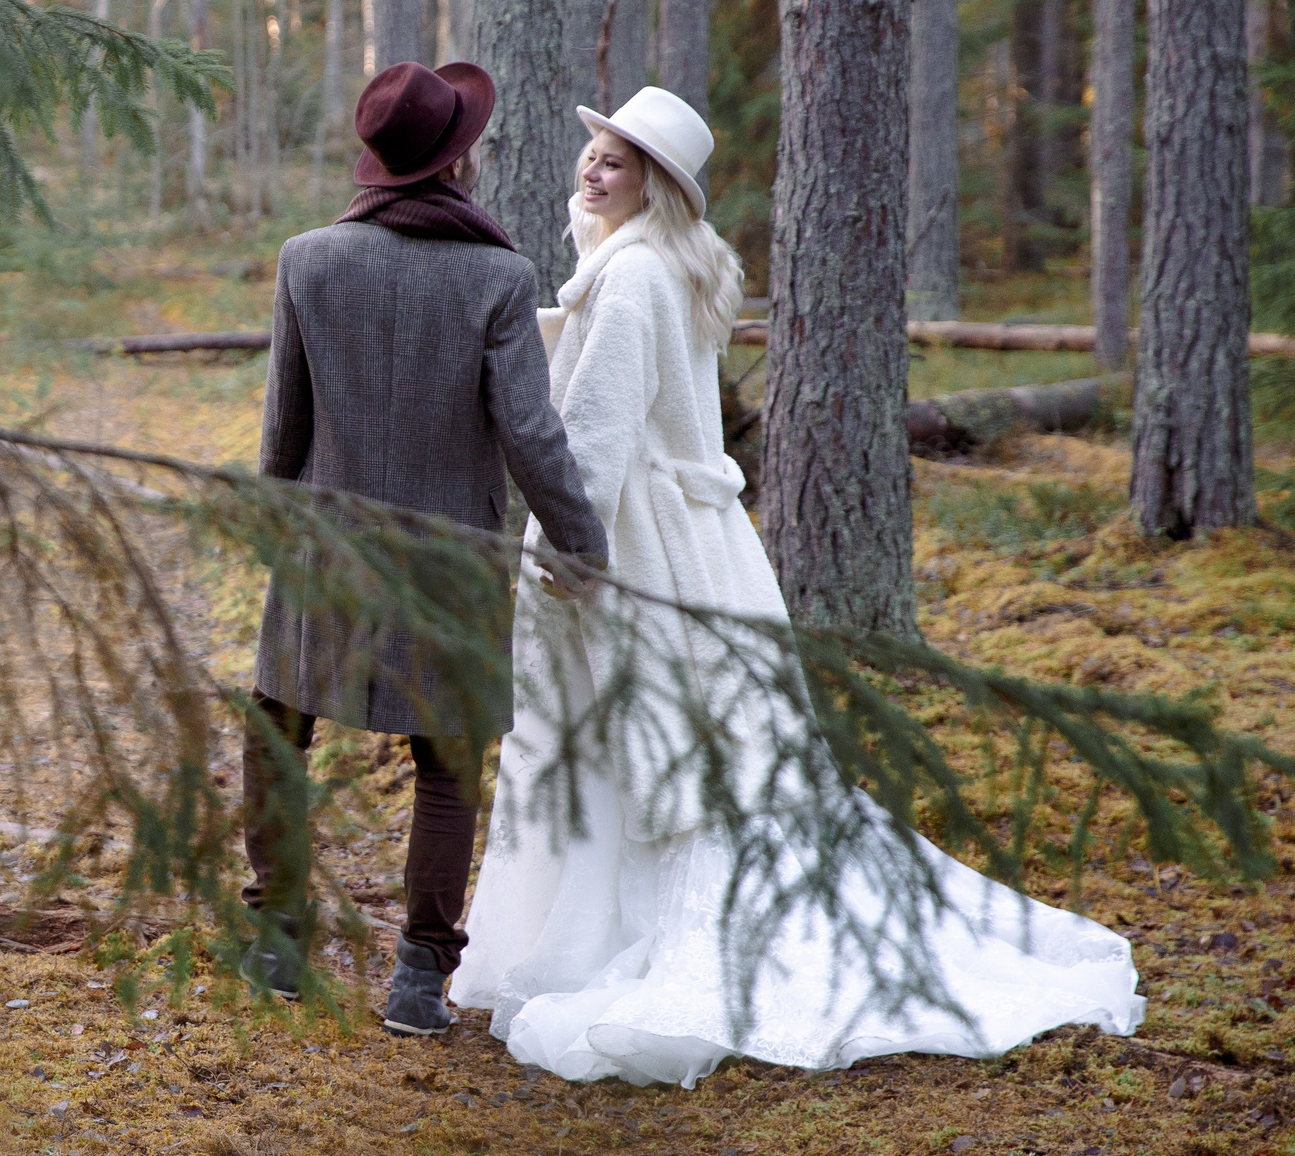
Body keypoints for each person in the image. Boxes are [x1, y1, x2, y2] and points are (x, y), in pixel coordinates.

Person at [446, 85, 1143, 1086]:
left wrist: (567, 557)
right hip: (702, 541)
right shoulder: (654, 265)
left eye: (615, 161)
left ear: (656, 188)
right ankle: (588, 929)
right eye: (593, 152)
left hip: (638, 544)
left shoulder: (636, 276)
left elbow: (597, 435)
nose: (590, 169)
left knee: (639, 738)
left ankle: (626, 943)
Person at [246, 60, 608, 1037]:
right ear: (457, 163)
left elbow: (283, 430)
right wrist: (583, 545)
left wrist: (273, 530)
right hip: (449, 560)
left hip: (325, 548)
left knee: (278, 728)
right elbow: (530, 435)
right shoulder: (497, 276)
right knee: (445, 767)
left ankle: (277, 938)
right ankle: (416, 978)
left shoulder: (306, 259)